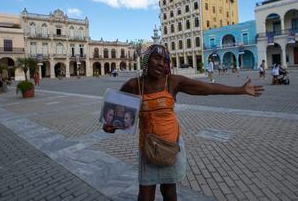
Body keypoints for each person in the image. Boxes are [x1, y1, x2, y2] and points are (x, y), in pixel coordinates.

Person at [103, 44, 263, 201]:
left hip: (172, 147)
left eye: (165, 61)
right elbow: (116, 112)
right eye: (157, 58)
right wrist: (110, 125)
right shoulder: (134, 85)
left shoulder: (172, 82)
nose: (161, 63)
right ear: (146, 60)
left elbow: (208, 88)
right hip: (148, 149)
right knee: (146, 193)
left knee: (169, 190)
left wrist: (241, 90)